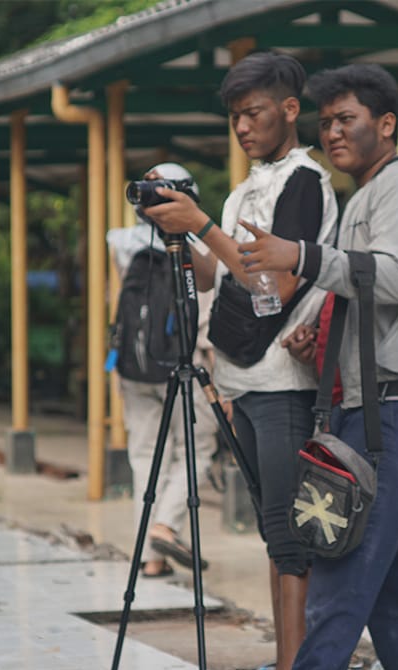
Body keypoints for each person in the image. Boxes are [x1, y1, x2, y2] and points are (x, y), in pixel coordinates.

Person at [241, 64, 398, 670]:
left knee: (342, 561)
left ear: (387, 123)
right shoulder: (365, 197)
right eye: (327, 123)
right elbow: (360, 285)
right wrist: (317, 321)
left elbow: (396, 278)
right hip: (377, 397)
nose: (335, 132)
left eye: (348, 119)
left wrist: (302, 257)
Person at [143, 52, 339, 670]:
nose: (243, 128)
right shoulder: (244, 187)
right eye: (233, 118)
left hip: (284, 380)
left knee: (288, 536)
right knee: (273, 532)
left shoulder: (306, 183)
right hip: (241, 375)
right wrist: (179, 230)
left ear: (289, 109)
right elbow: (218, 278)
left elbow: (275, 287)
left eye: (254, 114)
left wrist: (202, 225)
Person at [106, 162, 217, 578]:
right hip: (183, 365)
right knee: (197, 450)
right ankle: (166, 525)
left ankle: (148, 557)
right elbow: (204, 318)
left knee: (144, 458)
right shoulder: (199, 249)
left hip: (133, 368)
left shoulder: (121, 244)